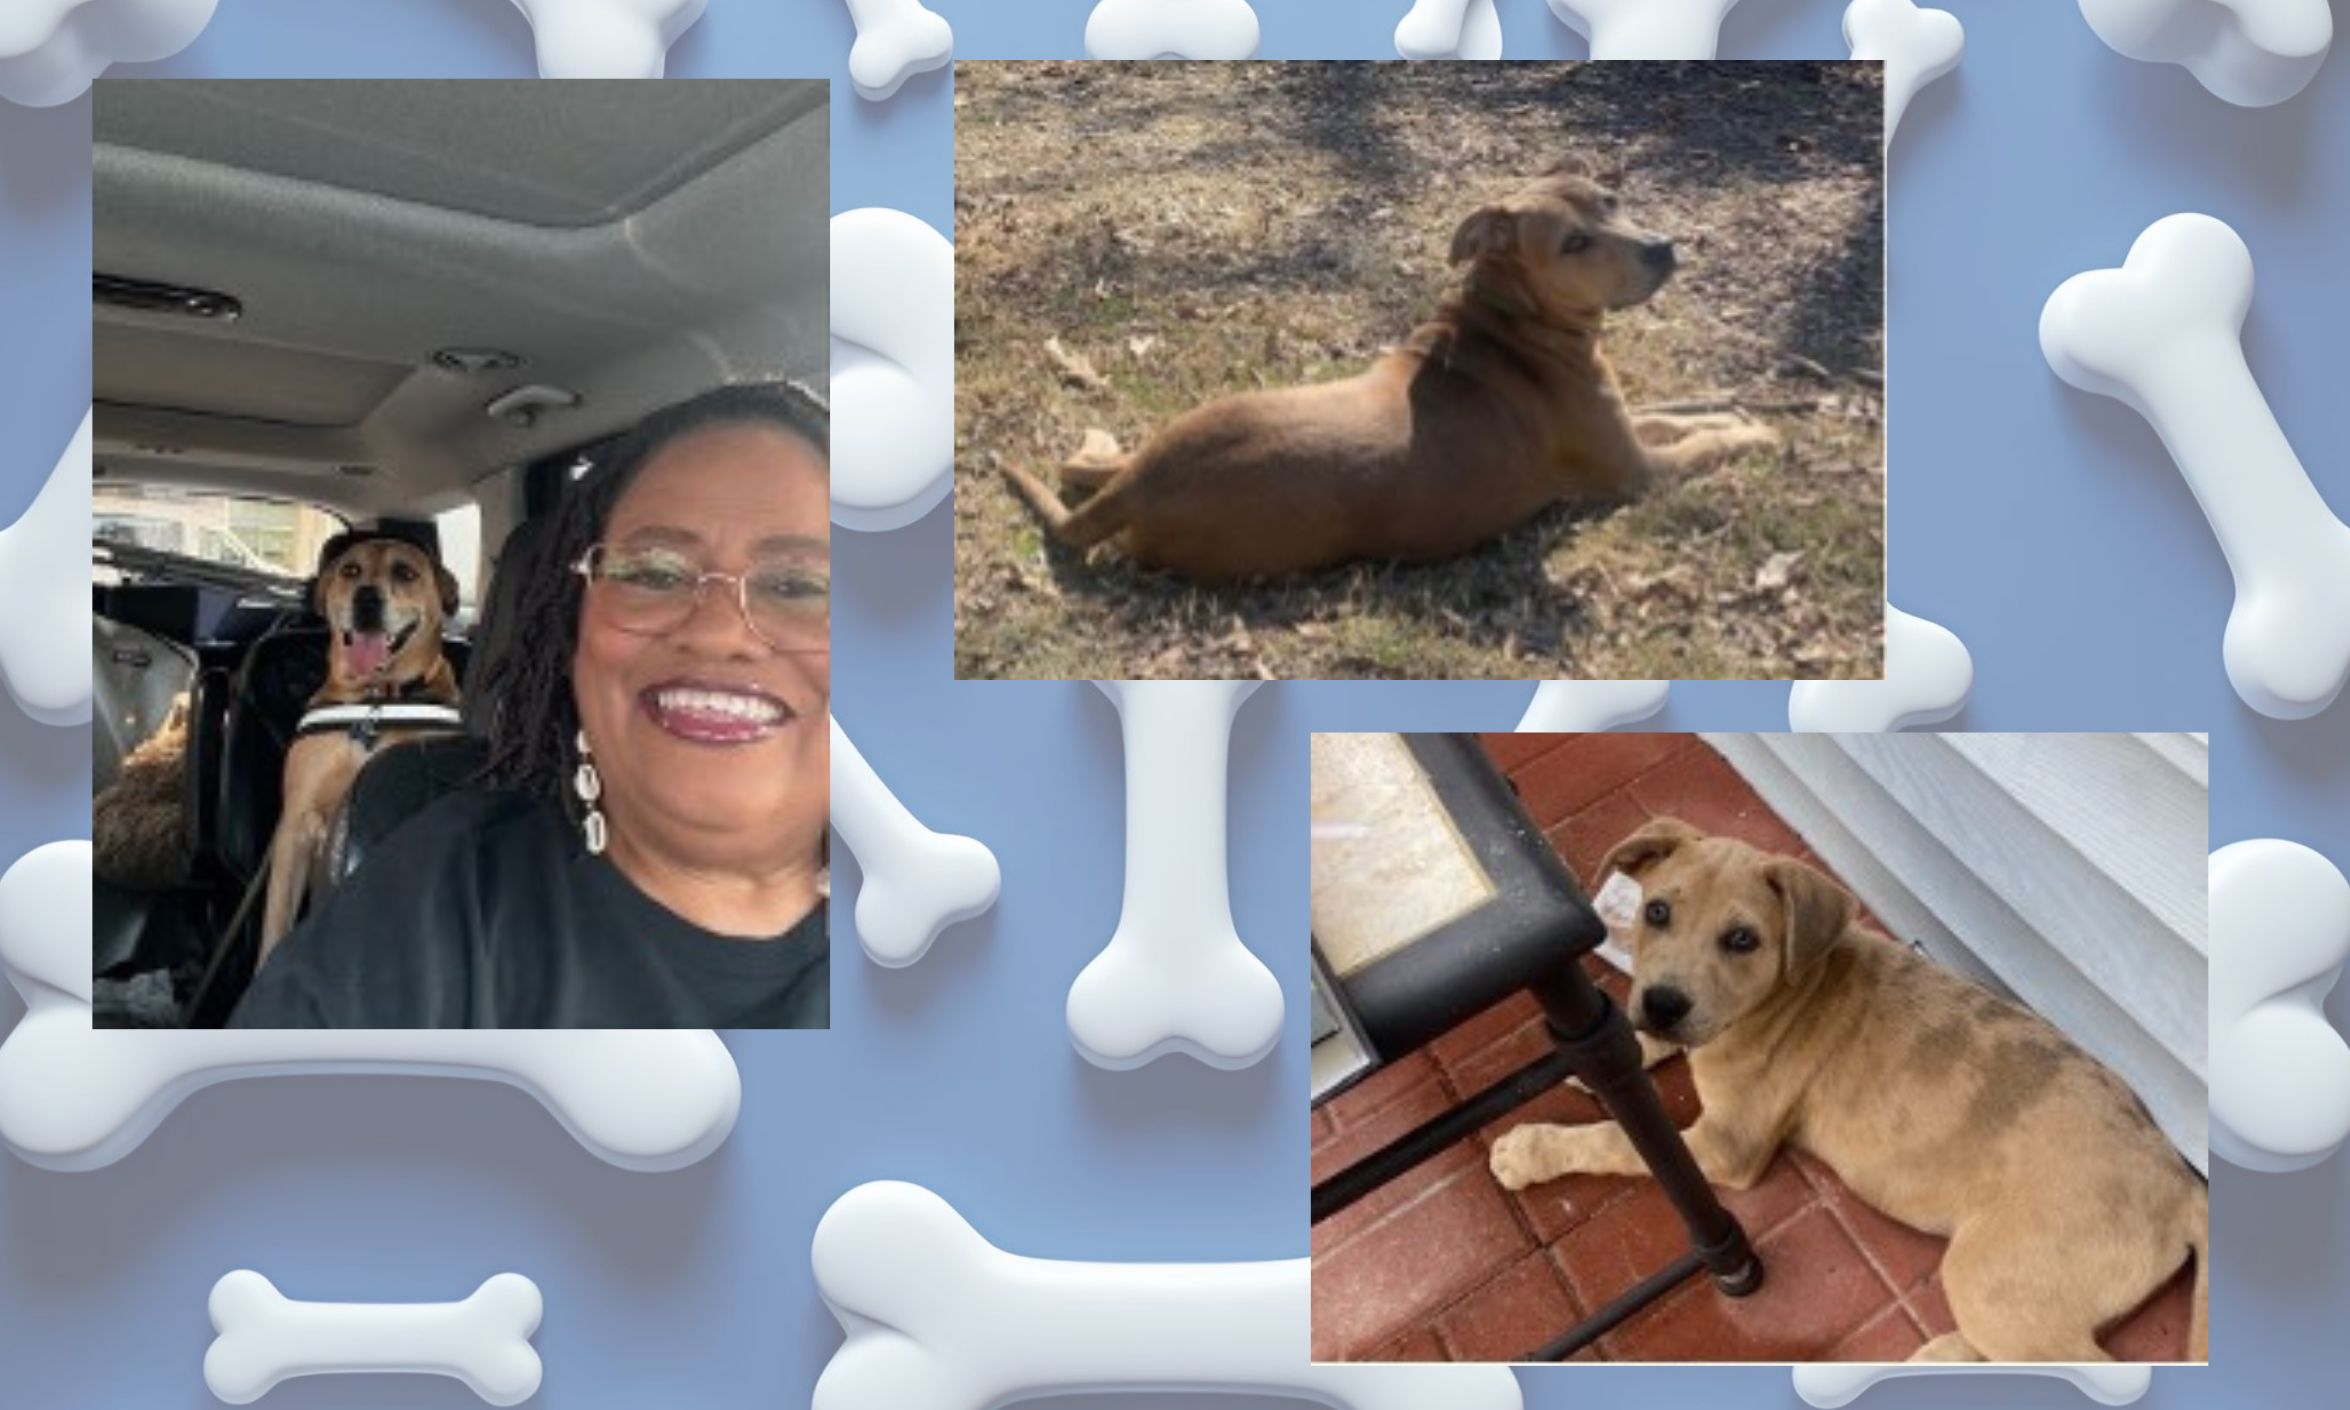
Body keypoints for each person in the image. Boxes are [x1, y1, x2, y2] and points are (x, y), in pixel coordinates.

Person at [232, 382, 830, 1027]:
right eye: (653, 573)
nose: (717, 631)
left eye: (798, 584)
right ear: (569, 627)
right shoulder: (440, 889)